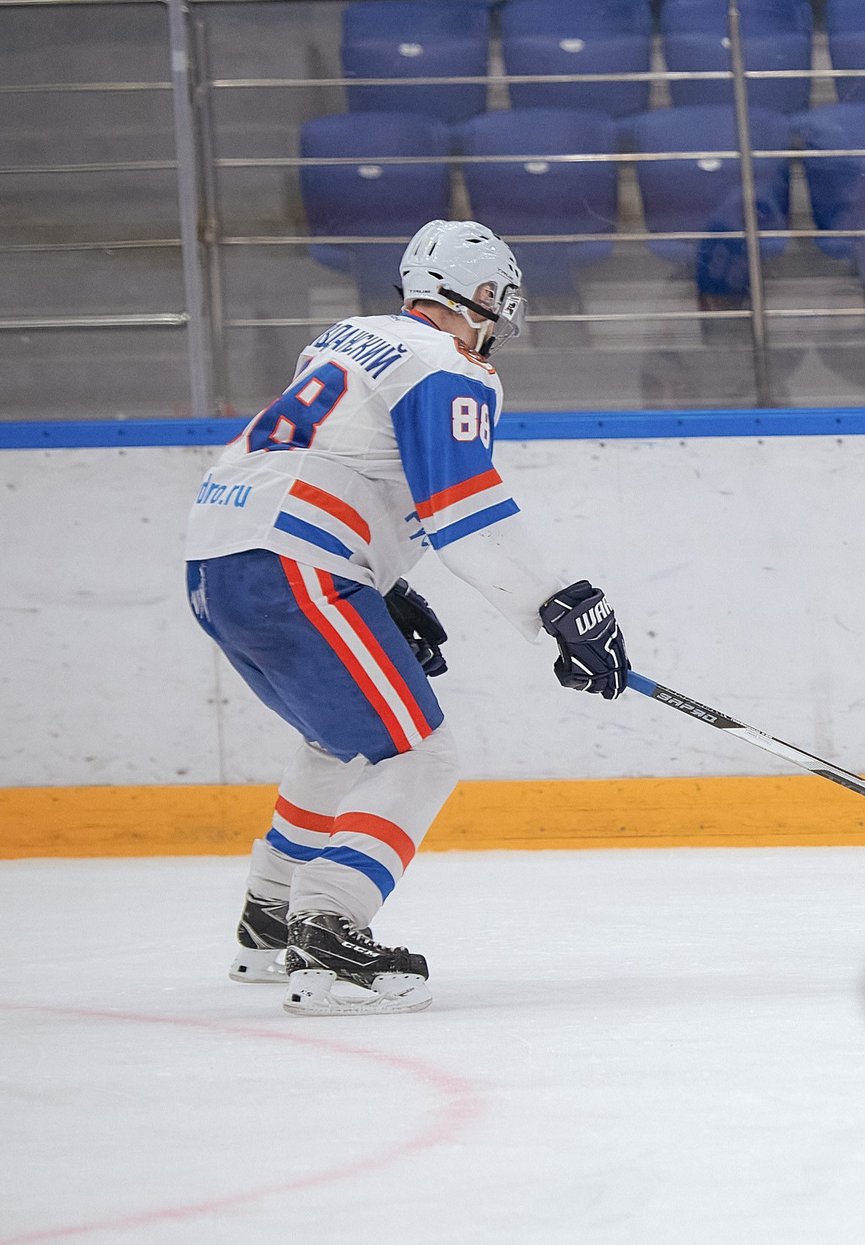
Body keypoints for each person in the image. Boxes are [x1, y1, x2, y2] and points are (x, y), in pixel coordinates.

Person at [184, 221, 633, 1015]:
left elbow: (334, 458)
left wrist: (380, 580)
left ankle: (269, 913)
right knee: (420, 753)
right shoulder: (448, 364)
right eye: (499, 299)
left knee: (340, 739)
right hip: (297, 563)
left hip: (220, 560)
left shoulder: (350, 337)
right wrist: (561, 602)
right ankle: (327, 924)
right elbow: (461, 506)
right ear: (484, 295)